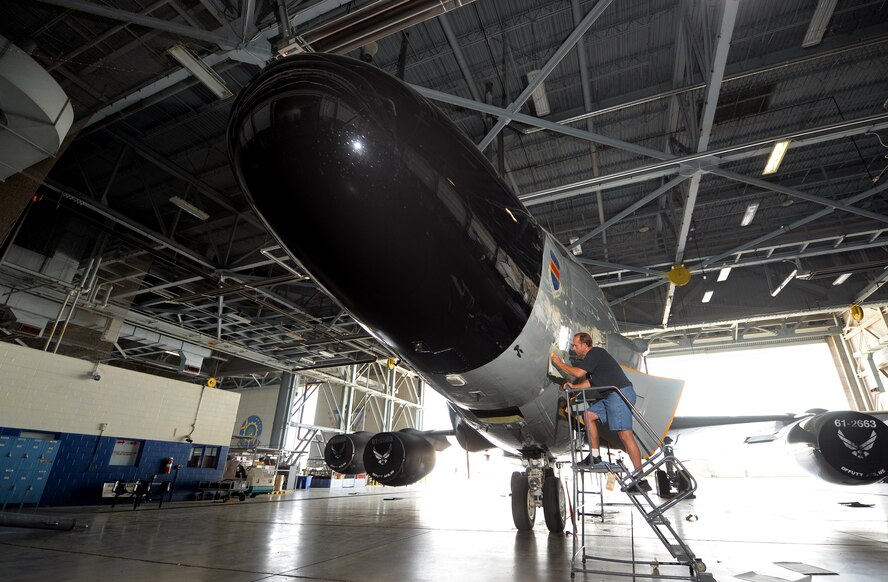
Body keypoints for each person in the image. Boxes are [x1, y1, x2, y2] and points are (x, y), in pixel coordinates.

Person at [550, 332, 651, 492]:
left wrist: (558, 363)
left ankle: (641, 479)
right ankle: (595, 456)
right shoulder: (592, 362)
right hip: (611, 395)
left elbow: (577, 373)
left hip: (619, 393)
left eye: (576, 345)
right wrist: (575, 387)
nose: (574, 348)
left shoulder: (595, 352)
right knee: (588, 415)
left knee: (625, 435)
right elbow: (589, 382)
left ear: (585, 345)